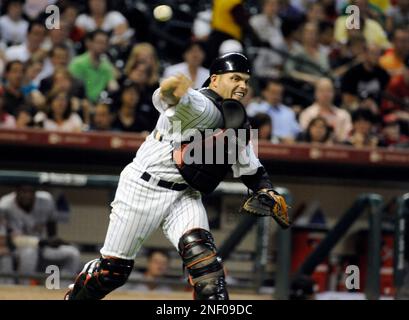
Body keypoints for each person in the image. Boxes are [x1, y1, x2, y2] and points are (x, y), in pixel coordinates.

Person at [65, 52, 290, 300]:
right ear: (214, 79)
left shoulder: (236, 119)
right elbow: (168, 96)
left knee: (209, 276)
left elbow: (252, 168)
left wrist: (266, 189)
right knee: (112, 273)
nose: (242, 86)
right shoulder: (200, 103)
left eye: (246, 81)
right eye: (235, 78)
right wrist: (172, 85)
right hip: (144, 186)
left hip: (185, 195)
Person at [0, 185, 81, 280]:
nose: (27, 195)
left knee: (72, 253)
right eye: (23, 191)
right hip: (18, 249)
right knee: (29, 252)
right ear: (16, 191)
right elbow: (13, 239)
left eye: (30, 192)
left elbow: (51, 222)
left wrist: (53, 239)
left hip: (43, 248)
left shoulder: (46, 200)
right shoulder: (5, 205)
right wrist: (45, 242)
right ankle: (24, 288)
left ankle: (62, 288)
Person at [299, 78, 352, 143]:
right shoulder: (307, 114)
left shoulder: (344, 115)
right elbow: (305, 136)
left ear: (334, 93)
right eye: (322, 90)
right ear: (315, 93)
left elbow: (347, 138)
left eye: (329, 90)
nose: (325, 94)